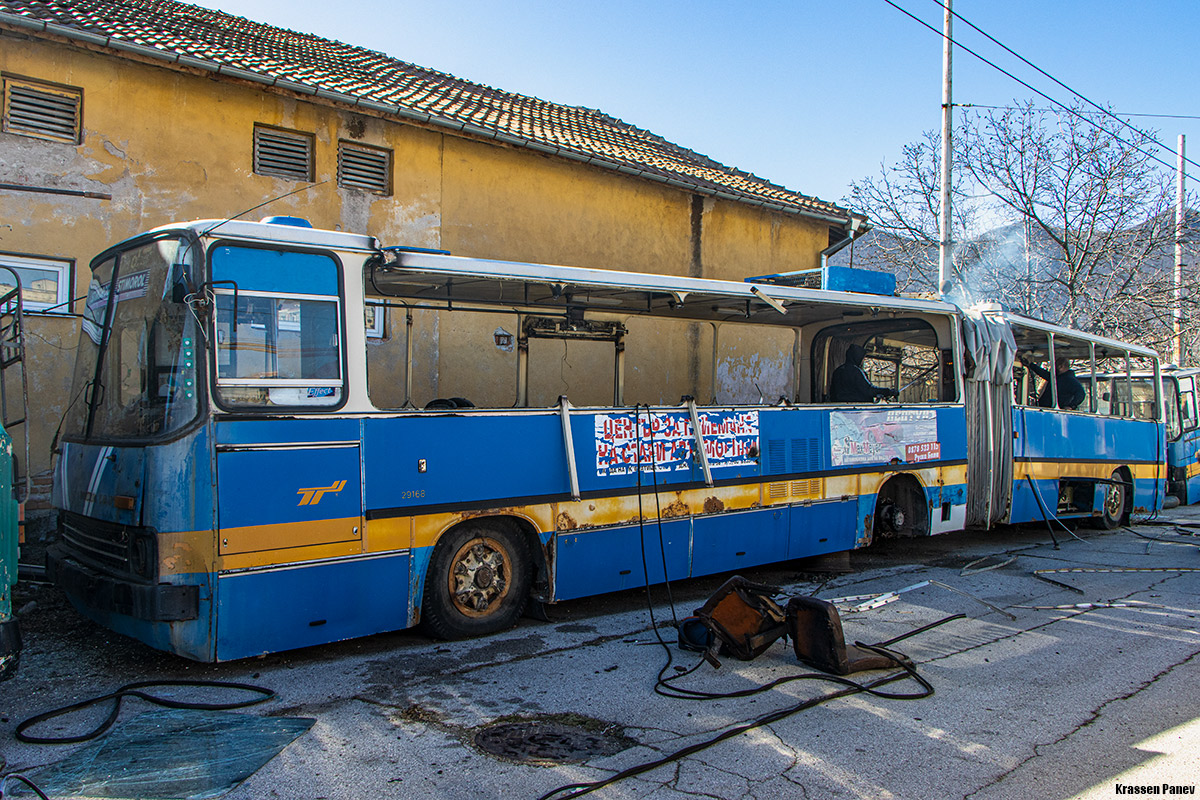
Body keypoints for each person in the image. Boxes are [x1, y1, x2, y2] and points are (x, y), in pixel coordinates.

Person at [830, 344, 898, 403]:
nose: (863, 361)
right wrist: (888, 391)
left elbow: (832, 392)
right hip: (856, 410)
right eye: (862, 358)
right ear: (857, 357)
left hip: (838, 409)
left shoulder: (838, 371)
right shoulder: (856, 372)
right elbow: (868, 390)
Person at [1022, 354, 1086, 410]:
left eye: (1056, 366)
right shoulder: (1057, 377)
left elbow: (1081, 393)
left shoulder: (1069, 380)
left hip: (1056, 410)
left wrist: (1071, 406)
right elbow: (1044, 374)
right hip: (1046, 408)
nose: (1054, 368)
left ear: (1061, 367)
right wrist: (1030, 365)